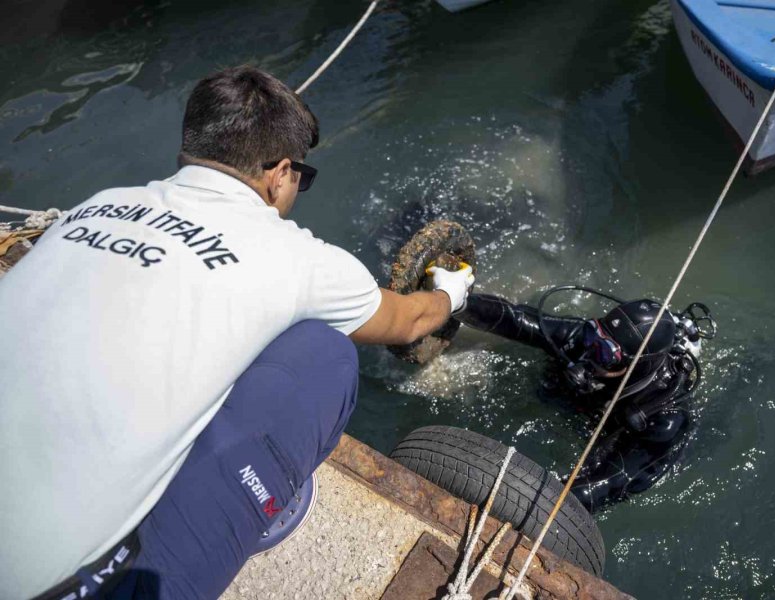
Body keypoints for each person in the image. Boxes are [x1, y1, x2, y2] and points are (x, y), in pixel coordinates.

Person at [0, 66, 475, 600]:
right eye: (303, 177)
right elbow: (409, 321)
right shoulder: (298, 260)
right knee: (323, 354)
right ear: (279, 174)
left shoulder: (93, 208)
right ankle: (258, 503)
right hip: (70, 588)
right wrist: (450, 293)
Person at [455, 290, 716, 512]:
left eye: (605, 352)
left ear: (636, 366)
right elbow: (520, 320)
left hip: (625, 435)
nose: (589, 350)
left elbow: (612, 482)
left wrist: (533, 502)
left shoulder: (666, 416)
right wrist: (461, 301)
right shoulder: (586, 340)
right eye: (594, 334)